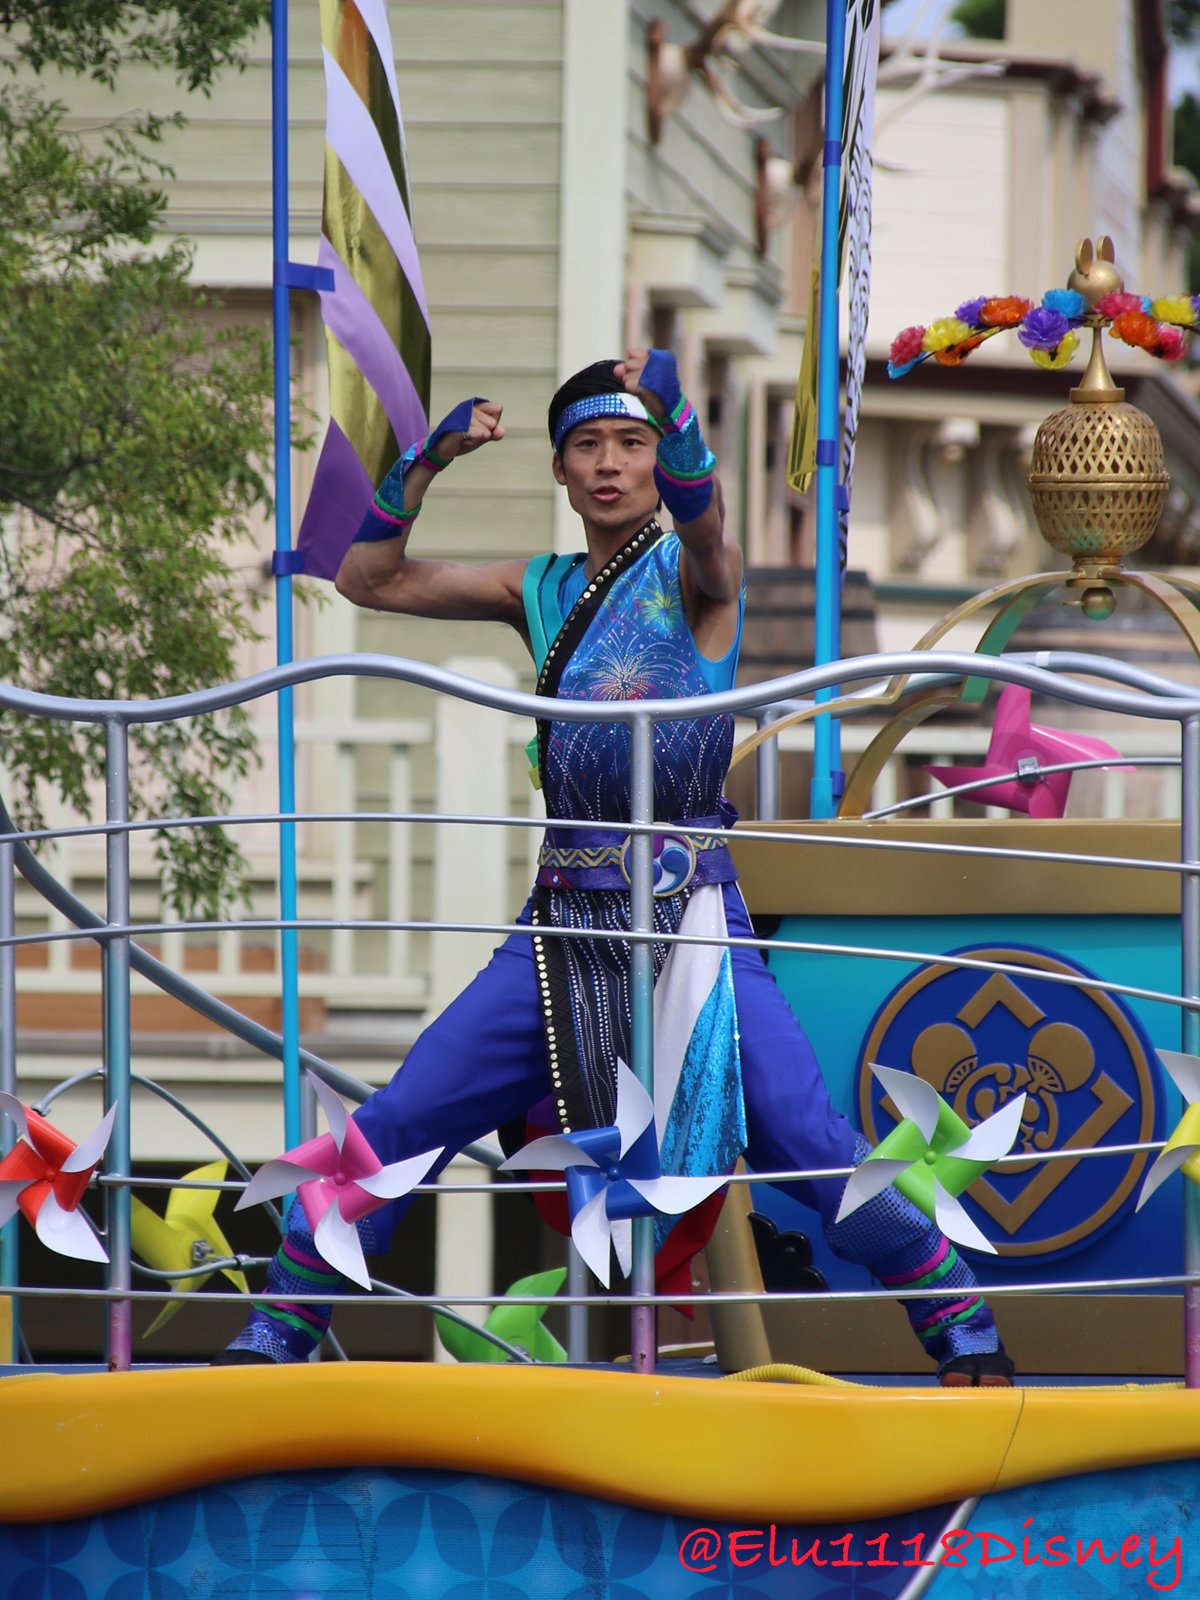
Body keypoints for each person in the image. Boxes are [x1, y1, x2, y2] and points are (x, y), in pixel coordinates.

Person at [215, 349, 1012, 1385]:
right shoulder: (536, 587)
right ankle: (282, 1326)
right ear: (558, 469)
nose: (609, 464)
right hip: (560, 926)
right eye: (588, 445)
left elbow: (712, 526)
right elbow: (368, 581)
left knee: (803, 1133)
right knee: (406, 1114)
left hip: (693, 922)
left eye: (632, 445)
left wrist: (679, 406)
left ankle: (965, 1331)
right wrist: (425, 457)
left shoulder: (697, 577)